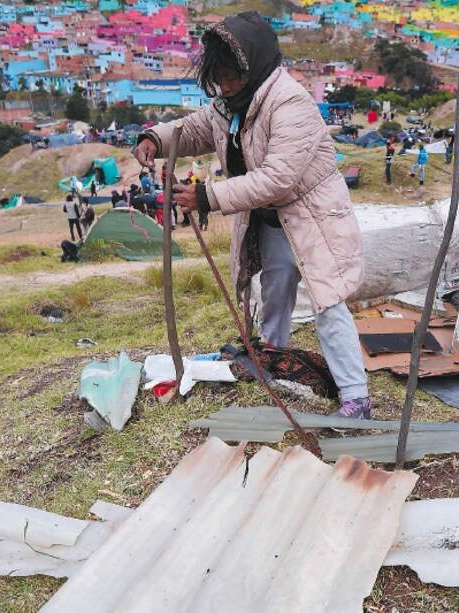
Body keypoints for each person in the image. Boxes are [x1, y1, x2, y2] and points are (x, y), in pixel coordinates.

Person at [132, 13, 373, 418]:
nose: (225, 87)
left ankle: (356, 397)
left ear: (254, 65)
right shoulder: (232, 103)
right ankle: (273, 359)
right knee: (275, 291)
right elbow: (195, 129)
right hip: (270, 219)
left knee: (328, 303)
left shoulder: (289, 102)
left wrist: (208, 196)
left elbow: (279, 179)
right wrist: (156, 137)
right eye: (219, 80)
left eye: (231, 78)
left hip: (312, 218)